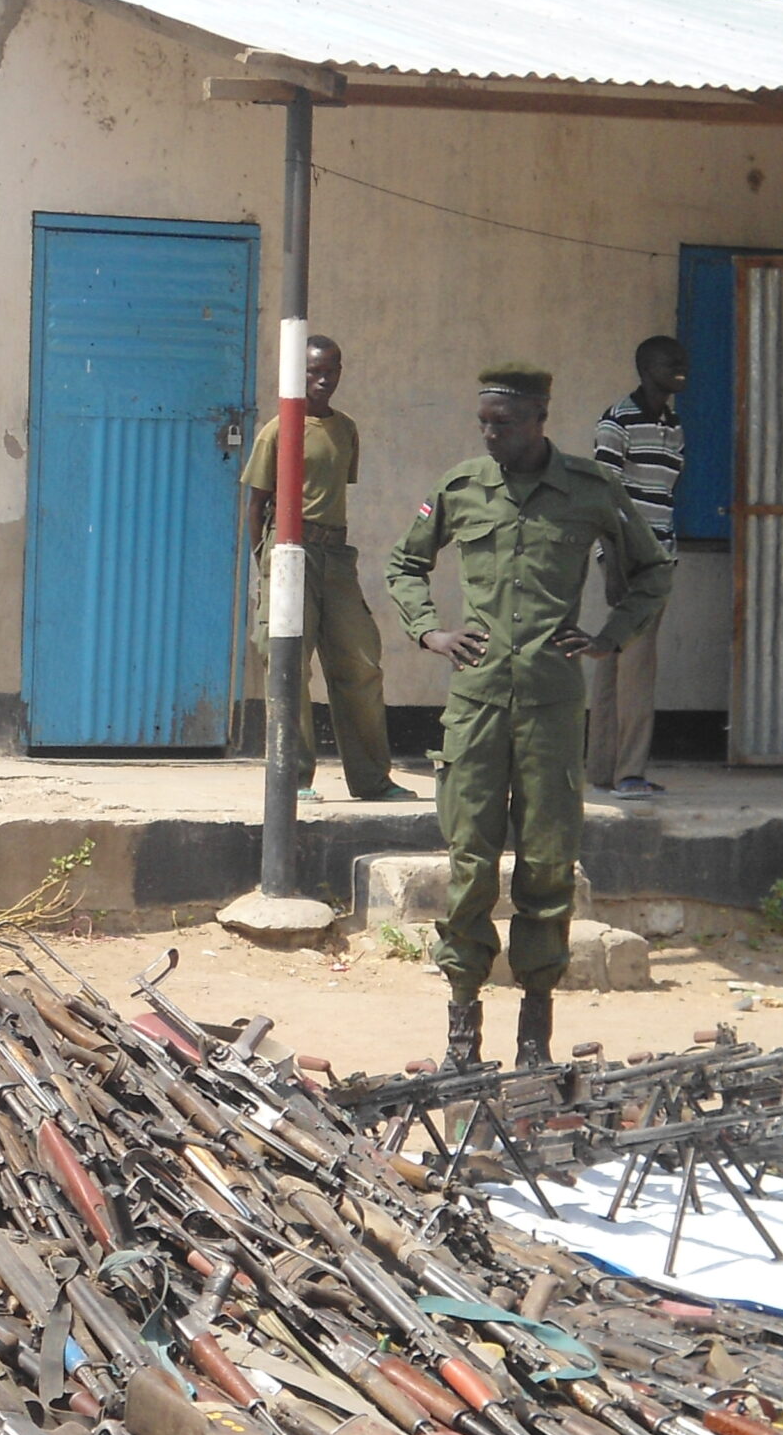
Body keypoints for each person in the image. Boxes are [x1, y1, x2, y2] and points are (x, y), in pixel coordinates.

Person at [388, 364, 674, 1069]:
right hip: (476, 709)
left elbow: (652, 571)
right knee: (470, 867)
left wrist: (610, 637)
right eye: (483, 421)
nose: (490, 434)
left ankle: (534, 1033)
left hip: (551, 708)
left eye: (504, 423)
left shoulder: (588, 491)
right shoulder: (462, 488)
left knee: (546, 869)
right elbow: (404, 564)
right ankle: (462, 1030)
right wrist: (431, 632)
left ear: (540, 418)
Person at [241, 334, 413, 803]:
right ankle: (293, 778)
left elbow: (336, 489)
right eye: (313, 371)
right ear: (298, 375)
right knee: (288, 662)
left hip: (335, 556)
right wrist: (265, 564)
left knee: (360, 662)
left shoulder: (346, 429)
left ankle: (373, 779)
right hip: (288, 550)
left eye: (331, 370)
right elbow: (255, 503)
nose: (323, 379)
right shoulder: (277, 430)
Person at [589, 335, 689, 801]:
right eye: (673, 363)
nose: (682, 369)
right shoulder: (617, 423)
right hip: (631, 561)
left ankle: (603, 767)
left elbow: (665, 495)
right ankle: (630, 773)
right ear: (647, 368)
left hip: (661, 556)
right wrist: (616, 561)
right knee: (638, 666)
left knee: (615, 660)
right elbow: (605, 498)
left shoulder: (673, 425)